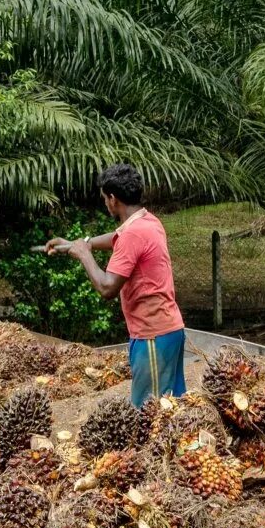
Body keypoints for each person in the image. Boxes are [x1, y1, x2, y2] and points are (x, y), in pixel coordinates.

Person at [45, 162, 186, 407]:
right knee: (173, 411)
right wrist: (76, 243)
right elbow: (116, 238)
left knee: (149, 415)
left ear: (113, 199)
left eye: (105, 199)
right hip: (169, 330)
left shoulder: (133, 235)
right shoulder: (148, 221)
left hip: (152, 336)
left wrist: (83, 254)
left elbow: (107, 287)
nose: (105, 204)